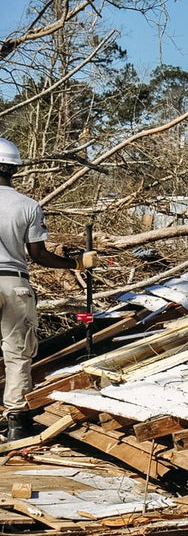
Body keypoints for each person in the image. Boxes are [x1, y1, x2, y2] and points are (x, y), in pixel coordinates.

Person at [0, 138, 97, 442]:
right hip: (13, 282)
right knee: (17, 353)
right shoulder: (28, 206)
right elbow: (38, 255)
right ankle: (16, 422)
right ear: (14, 169)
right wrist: (76, 264)